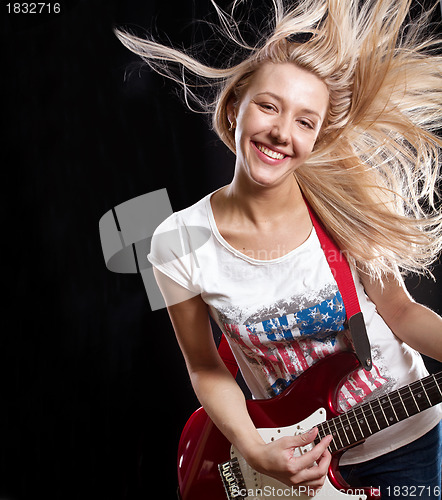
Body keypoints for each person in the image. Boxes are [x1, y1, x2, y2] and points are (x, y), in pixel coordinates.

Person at [116, 0, 442, 497]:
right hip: (291, 464)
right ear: (234, 108)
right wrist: (252, 448)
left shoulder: (342, 204)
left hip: (406, 443)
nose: (281, 133)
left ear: (316, 137)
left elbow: (400, 310)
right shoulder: (175, 242)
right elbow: (205, 366)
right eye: (269, 106)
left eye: (305, 122)